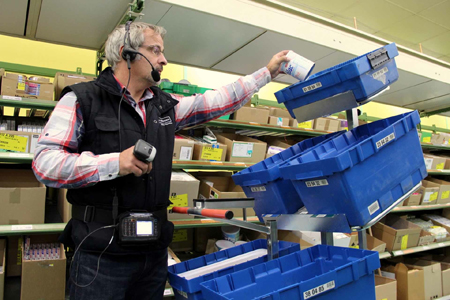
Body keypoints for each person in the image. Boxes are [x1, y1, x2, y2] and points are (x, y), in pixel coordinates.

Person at [32, 21, 290, 300]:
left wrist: (267, 73)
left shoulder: (165, 106)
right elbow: (45, 164)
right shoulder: (83, 99)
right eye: (155, 50)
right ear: (126, 53)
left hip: (153, 254)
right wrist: (114, 163)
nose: (164, 59)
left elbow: (215, 101)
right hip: (101, 256)